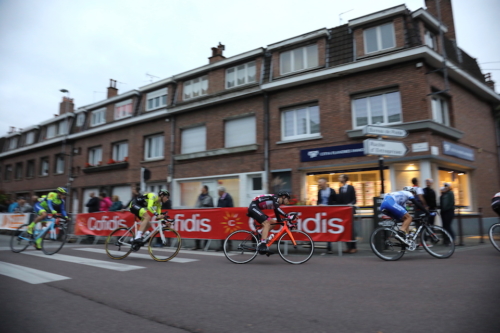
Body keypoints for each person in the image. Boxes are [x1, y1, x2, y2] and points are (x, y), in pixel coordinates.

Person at [337, 174, 357, 254]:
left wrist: (350, 204)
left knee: (351, 229)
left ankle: (354, 247)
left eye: (340, 177)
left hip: (350, 211)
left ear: (344, 179)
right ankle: (348, 247)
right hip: (344, 212)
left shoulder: (351, 187)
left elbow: (354, 199)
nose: (339, 178)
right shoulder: (340, 188)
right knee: (345, 229)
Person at [317, 178, 337, 254]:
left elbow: (336, 200)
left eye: (320, 182)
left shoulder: (331, 191)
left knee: (328, 229)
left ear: (325, 182)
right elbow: (318, 201)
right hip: (321, 213)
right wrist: (319, 204)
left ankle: (329, 247)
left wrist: (331, 207)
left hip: (330, 213)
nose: (319, 184)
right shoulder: (319, 191)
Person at [192, 185, 214, 250]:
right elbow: (196, 205)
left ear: (206, 189)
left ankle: (205, 245)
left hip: (205, 218)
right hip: (198, 217)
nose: (201, 189)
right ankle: (197, 245)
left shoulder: (209, 198)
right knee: (197, 231)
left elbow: (211, 206)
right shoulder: (199, 197)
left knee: (205, 231)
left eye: (203, 188)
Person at [216, 186, 234, 251]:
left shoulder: (228, 198)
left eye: (218, 191)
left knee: (227, 232)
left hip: (227, 217)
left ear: (222, 191)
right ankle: (222, 246)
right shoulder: (220, 198)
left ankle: (229, 246)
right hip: (221, 217)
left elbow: (231, 207)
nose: (218, 193)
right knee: (222, 232)